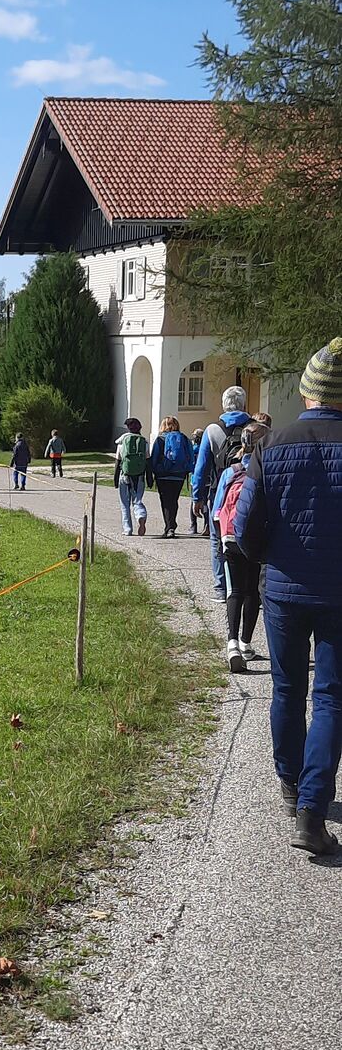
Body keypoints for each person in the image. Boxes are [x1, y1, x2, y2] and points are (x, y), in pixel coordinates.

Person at [235, 338, 342, 858]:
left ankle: (290, 783)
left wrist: (267, 561)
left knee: (287, 688)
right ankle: (312, 812)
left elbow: (243, 526)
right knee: (332, 697)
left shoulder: (270, 445)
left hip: (282, 589)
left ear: (306, 393)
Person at [212, 421, 268, 672]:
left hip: (231, 537)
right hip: (255, 539)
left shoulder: (230, 471)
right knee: (252, 590)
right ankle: (246, 643)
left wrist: (220, 538)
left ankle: (232, 642)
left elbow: (217, 511)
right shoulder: (265, 470)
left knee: (234, 590)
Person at [191, 386, 250, 600]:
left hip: (220, 491)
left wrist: (197, 497)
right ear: (244, 404)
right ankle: (247, 587)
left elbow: (201, 467)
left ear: (223, 405)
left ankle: (221, 588)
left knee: (217, 539)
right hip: (249, 489)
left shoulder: (212, 430)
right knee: (248, 536)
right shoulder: (255, 428)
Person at [148, 416, 194, 538]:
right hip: (179, 475)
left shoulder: (160, 439)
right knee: (174, 500)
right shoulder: (184, 438)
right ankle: (172, 525)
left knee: (166, 502)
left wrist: (153, 472)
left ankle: (169, 527)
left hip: (163, 474)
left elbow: (154, 457)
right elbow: (190, 456)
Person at [114, 418, 148, 537]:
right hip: (139, 477)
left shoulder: (122, 442)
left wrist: (115, 479)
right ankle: (141, 516)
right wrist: (149, 478)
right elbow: (147, 461)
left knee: (125, 503)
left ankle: (127, 529)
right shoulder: (144, 442)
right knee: (137, 500)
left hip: (124, 476)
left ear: (128, 428)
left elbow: (118, 462)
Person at [188, 429, 205, 534]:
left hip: (194, 478)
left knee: (193, 500)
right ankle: (207, 525)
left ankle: (193, 526)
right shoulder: (205, 449)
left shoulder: (193, 449)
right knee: (205, 502)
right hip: (206, 478)